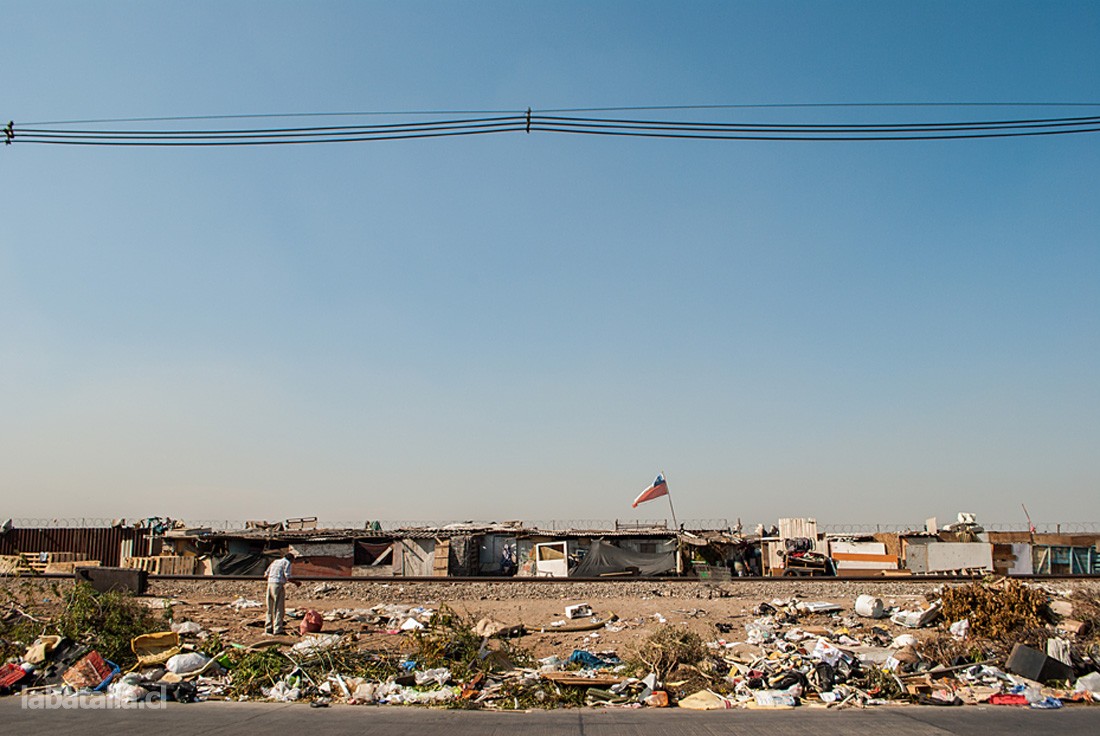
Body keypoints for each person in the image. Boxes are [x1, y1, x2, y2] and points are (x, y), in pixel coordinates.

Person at [264, 551, 301, 635]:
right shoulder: (287, 563)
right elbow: (288, 576)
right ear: (291, 559)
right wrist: (296, 582)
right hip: (278, 585)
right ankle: (278, 629)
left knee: (270, 608)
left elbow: (266, 574)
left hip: (270, 584)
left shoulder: (275, 561)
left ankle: (268, 628)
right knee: (279, 608)